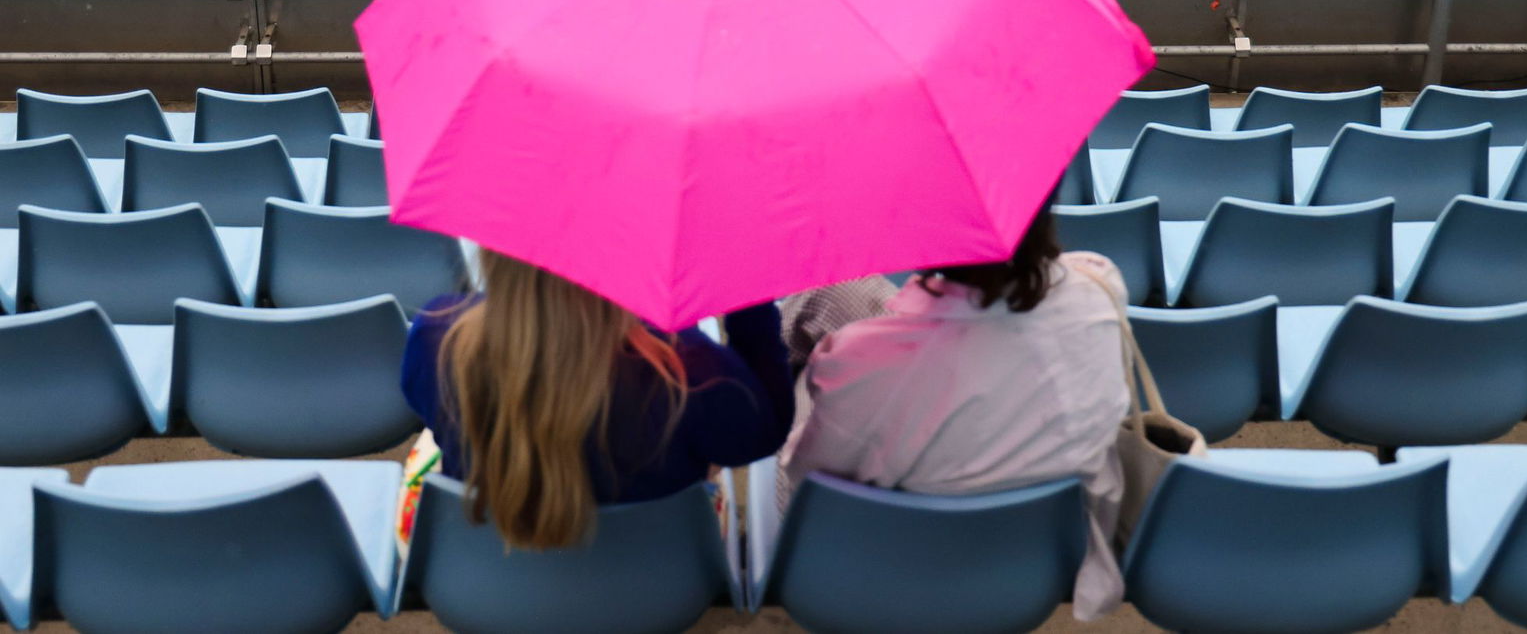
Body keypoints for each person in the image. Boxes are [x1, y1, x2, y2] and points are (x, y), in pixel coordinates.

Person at [779, 206, 1129, 619]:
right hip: (1036, 563)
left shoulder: (859, 363)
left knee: (815, 333)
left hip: (883, 565)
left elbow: (808, 483)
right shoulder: (1100, 290)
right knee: (832, 293)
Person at [402, 248, 794, 549]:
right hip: (655, 585)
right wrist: (749, 289)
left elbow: (423, 404)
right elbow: (768, 430)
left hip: (485, 576)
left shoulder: (436, 335)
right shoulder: (689, 369)